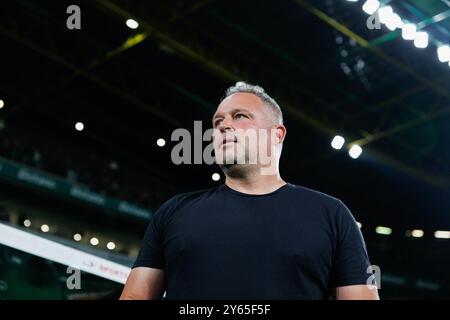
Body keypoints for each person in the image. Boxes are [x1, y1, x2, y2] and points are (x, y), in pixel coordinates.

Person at [120, 82, 379, 300]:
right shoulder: (174, 212)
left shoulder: (332, 215)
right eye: (218, 121)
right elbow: (135, 297)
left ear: (277, 134)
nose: (223, 126)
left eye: (240, 116)